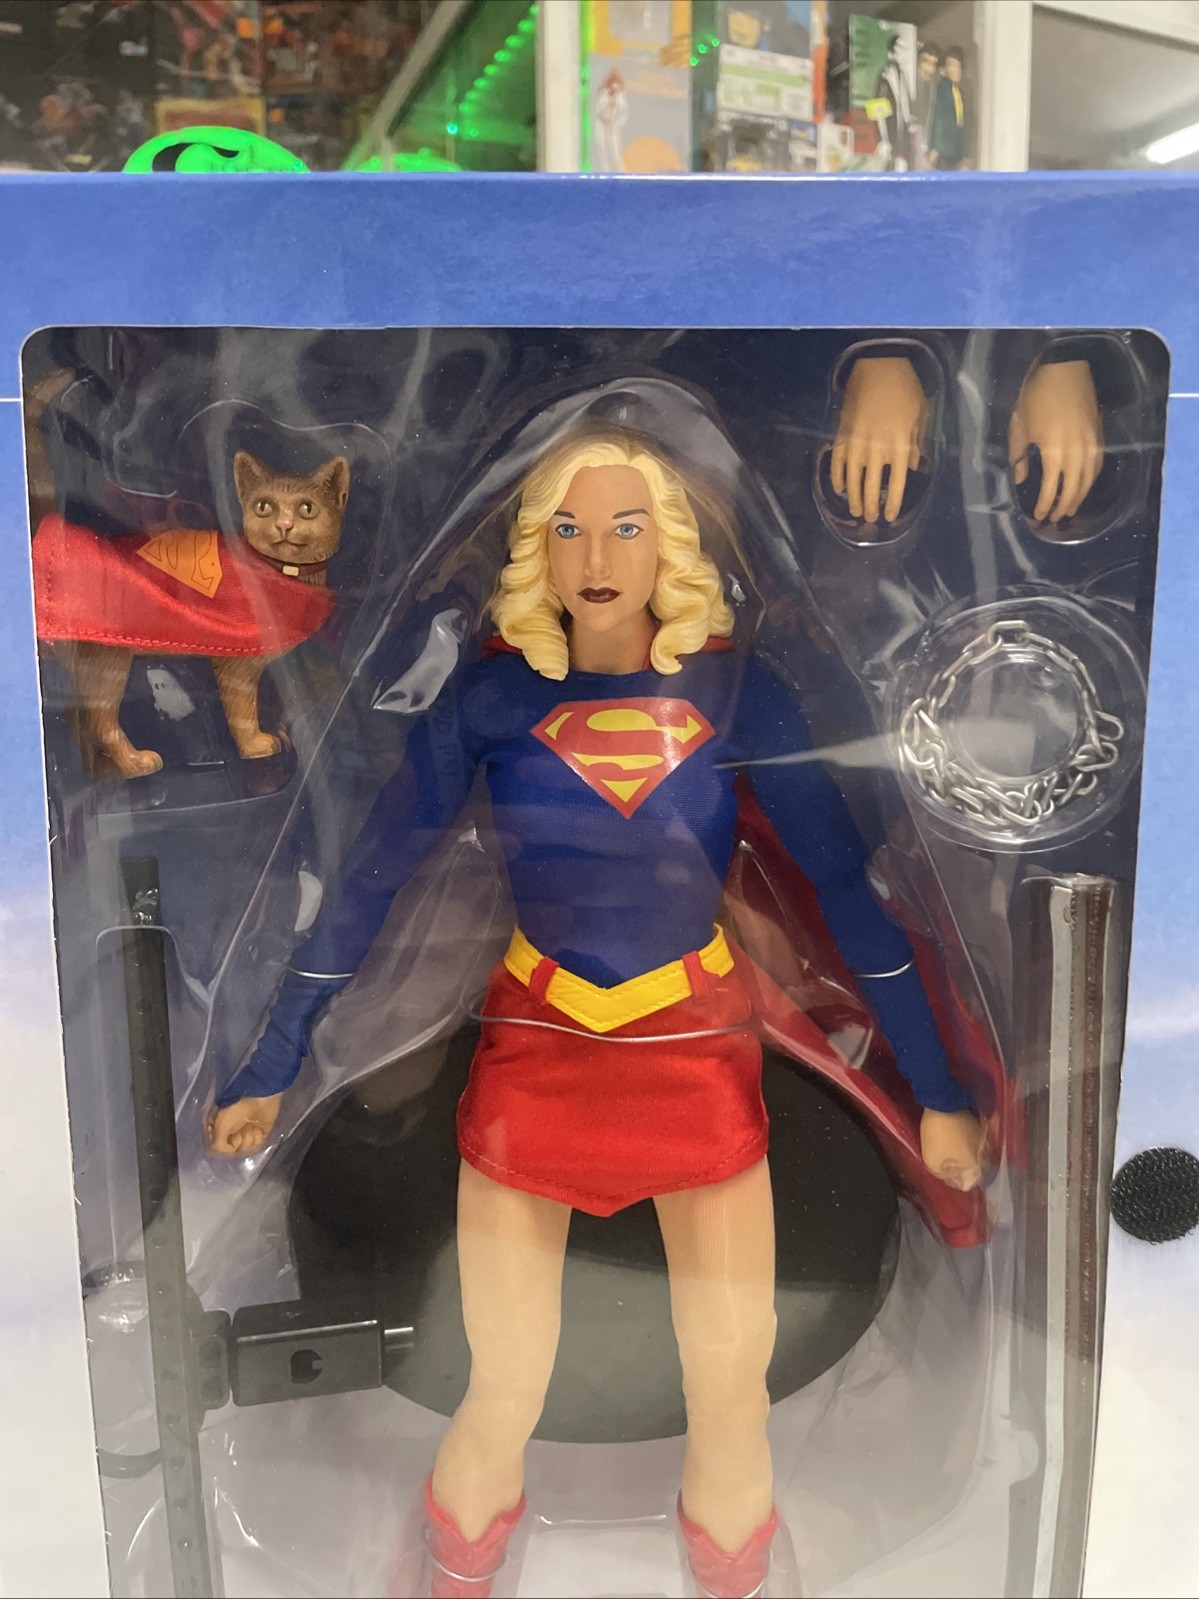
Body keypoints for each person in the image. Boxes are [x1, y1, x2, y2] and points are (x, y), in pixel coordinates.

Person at [209, 424, 985, 1598]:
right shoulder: (490, 698)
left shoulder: (738, 694)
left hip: (693, 1051)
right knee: (502, 1383)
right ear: (537, 548)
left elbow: (840, 891)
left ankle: (733, 1576)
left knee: (729, 1387)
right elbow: (370, 877)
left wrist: (935, 1090)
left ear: (666, 542)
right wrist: (273, 1062)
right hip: (537, 1049)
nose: (594, 556)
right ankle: (454, 1573)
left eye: (625, 526)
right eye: (567, 529)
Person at [928, 45, 972, 171]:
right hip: (943, 150)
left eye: (958, 66)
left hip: (955, 150)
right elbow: (937, 117)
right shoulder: (941, 89)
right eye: (952, 65)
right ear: (944, 69)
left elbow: (961, 124)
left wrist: (964, 153)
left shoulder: (958, 93)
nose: (955, 70)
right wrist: (935, 147)